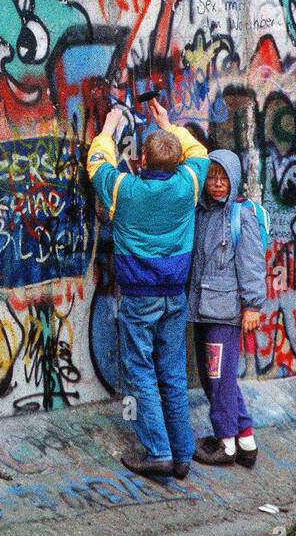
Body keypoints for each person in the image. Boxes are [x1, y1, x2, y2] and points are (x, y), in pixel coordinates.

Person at [85, 100, 210, 481]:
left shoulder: (124, 190)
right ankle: (182, 453)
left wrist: (107, 129)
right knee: (172, 372)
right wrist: (168, 125)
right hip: (175, 293)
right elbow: (199, 152)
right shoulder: (188, 184)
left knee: (140, 369)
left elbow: (97, 164)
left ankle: (158, 451)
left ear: (141, 161)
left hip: (139, 295)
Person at [187, 149, 267, 467]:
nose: (217, 184)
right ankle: (245, 440)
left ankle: (226, 445)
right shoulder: (202, 214)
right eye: (212, 177)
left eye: (223, 178)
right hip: (202, 309)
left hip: (225, 313)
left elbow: (251, 264)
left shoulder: (239, 215)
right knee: (216, 379)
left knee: (218, 379)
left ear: (234, 180)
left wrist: (252, 306)